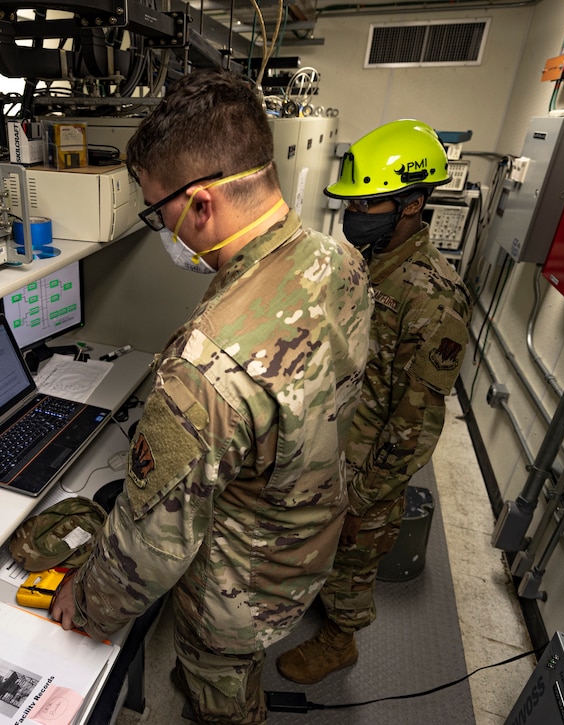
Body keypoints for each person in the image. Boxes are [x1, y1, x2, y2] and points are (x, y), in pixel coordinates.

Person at [49, 68, 372, 724]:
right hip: (307, 538)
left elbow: (150, 546)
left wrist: (83, 603)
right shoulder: (338, 260)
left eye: (158, 212)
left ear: (200, 204)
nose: (164, 230)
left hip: (237, 595)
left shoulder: (205, 361)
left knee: (218, 698)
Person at [275, 119, 472, 685]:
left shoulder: (432, 298)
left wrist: (365, 497)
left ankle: (341, 640)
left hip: (369, 464)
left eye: (369, 203)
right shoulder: (371, 258)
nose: (354, 214)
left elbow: (415, 422)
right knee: (318, 539)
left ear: (411, 205)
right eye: (352, 203)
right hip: (334, 436)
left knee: (355, 554)